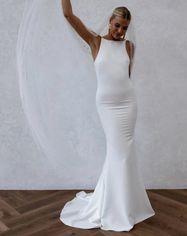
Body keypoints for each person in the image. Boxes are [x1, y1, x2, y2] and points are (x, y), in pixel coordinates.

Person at [59, 0, 156, 232]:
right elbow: (68, 15)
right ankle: (115, 206)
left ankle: (123, 204)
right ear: (110, 22)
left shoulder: (130, 47)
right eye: (117, 25)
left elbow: (126, 77)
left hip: (128, 104)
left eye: (124, 27)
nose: (120, 31)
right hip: (107, 106)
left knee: (123, 153)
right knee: (118, 152)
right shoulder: (95, 41)